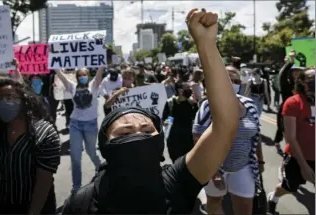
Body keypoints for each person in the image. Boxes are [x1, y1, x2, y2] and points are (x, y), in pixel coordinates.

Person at [61, 8, 240, 214]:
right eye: (125, 132)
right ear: (105, 145)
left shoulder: (177, 183)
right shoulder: (79, 203)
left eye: (147, 131)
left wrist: (206, 44)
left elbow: (225, 125)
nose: (138, 134)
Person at [0, 78, 61, 214]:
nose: (4, 103)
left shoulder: (45, 134)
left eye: (10, 97)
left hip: (34, 208)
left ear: (24, 101)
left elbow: (44, 181)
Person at [193, 66, 264, 215]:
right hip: (216, 167)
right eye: (228, 79)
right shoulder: (208, 105)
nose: (233, 83)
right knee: (215, 202)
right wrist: (214, 172)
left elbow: (256, 136)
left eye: (236, 80)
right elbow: (198, 138)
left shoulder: (250, 105)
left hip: (244, 166)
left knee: (245, 207)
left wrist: (260, 160)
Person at [267, 67, 315, 214]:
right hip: (297, 158)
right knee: (289, 188)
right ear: (302, 82)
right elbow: (290, 138)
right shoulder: (293, 103)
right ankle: (273, 197)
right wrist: (304, 166)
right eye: (312, 78)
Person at [55, 67, 103, 192]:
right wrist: (55, 68)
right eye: (80, 75)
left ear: (88, 75)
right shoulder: (72, 86)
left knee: (91, 152)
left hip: (90, 125)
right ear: (77, 77)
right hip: (75, 124)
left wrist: (101, 65)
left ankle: (100, 168)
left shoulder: (94, 86)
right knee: (75, 156)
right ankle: (76, 186)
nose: (82, 77)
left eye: (84, 75)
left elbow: (99, 74)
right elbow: (61, 76)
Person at [273, 51, 303, 152]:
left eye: (299, 72)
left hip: (300, 112)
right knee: (284, 131)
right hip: (286, 112)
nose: (297, 74)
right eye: (295, 72)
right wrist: (290, 61)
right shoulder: (286, 84)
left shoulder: (303, 85)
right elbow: (283, 74)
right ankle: (279, 143)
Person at [162, 82, 198, 163]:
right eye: (186, 88)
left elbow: (195, 117)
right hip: (174, 140)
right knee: (176, 162)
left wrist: (195, 104)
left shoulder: (191, 103)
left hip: (188, 139)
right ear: (179, 90)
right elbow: (165, 118)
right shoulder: (170, 102)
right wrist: (166, 122)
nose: (189, 90)